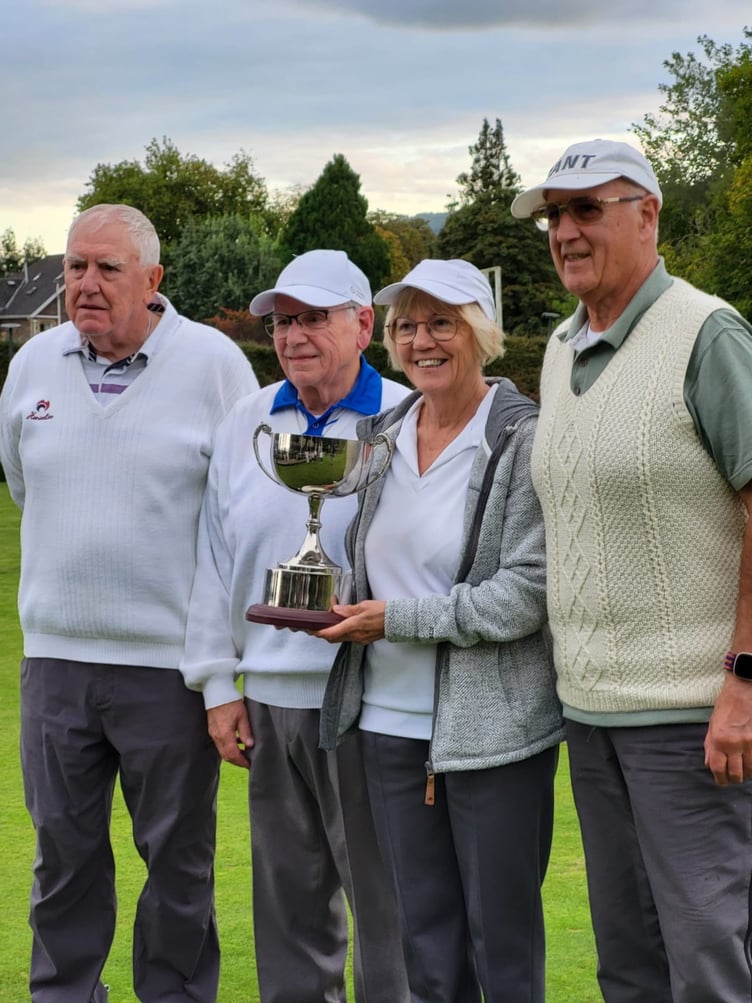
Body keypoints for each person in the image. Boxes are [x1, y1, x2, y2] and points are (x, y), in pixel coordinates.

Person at [511, 138, 752, 1003]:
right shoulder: (560, 345)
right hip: (591, 712)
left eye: (587, 209)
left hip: (692, 716)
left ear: (648, 214)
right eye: (553, 215)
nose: (564, 232)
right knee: (628, 963)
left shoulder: (706, 332)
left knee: (708, 960)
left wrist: (744, 681)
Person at [0, 203, 260, 1003]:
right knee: (62, 858)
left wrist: (220, 672)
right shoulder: (32, 365)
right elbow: (21, 481)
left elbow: (240, 515)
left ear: (153, 279)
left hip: (166, 670)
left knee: (178, 862)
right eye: (75, 266)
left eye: (107, 268)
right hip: (56, 663)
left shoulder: (214, 363)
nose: (84, 283)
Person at [315, 259, 564, 1003]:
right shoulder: (381, 434)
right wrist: (330, 598)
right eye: (407, 326)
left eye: (441, 322)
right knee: (422, 946)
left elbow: (524, 594)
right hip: (388, 729)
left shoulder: (523, 438)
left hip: (493, 736)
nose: (422, 340)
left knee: (503, 951)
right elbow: (367, 558)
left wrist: (396, 617)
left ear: (480, 332)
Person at [179, 249, 410, 1003]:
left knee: (390, 913)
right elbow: (212, 560)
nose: (294, 334)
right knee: (288, 913)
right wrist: (218, 684)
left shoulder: (406, 417)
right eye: (284, 321)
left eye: (314, 317)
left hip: (374, 701)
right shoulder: (247, 420)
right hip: (270, 702)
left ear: (363, 324)